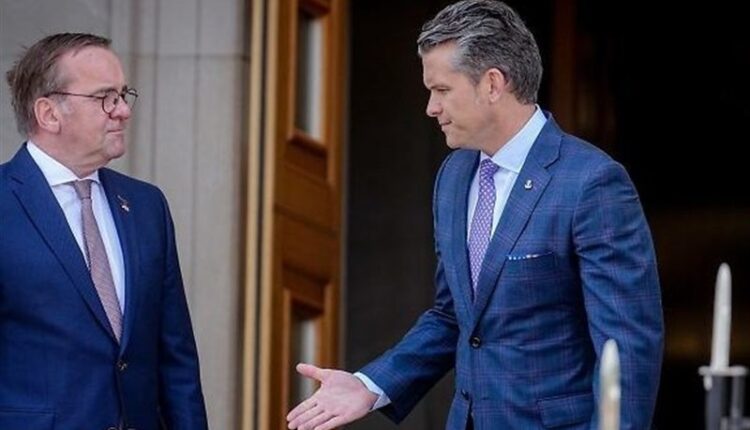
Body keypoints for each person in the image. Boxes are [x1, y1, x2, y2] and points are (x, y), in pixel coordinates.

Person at [286, 1, 663, 429]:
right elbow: (455, 316)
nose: (431, 107)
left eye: (442, 90)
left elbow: (627, 347)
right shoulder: (454, 175)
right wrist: (370, 385)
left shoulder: (591, 183)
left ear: (493, 84)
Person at [0, 33, 208, 429]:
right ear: (49, 113)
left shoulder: (146, 206)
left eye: (123, 95)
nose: (123, 111)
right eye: (105, 98)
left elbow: (176, 357)